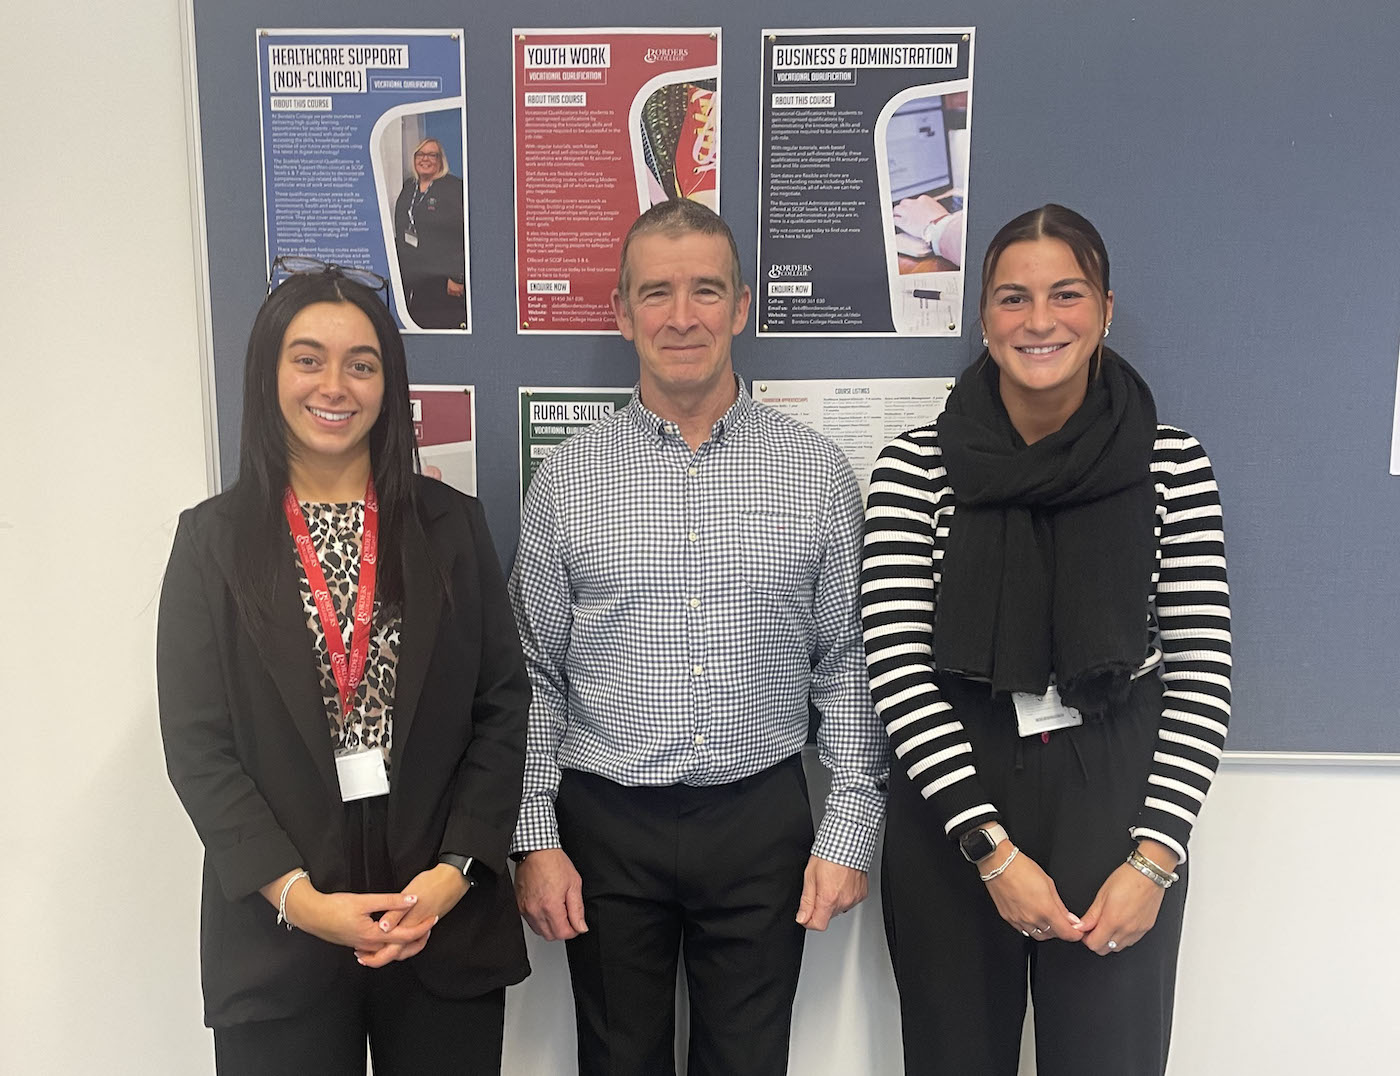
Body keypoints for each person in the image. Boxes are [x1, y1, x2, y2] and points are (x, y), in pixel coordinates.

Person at [509, 199, 888, 1076]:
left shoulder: (818, 475)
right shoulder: (566, 481)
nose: (682, 316)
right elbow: (532, 674)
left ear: (742, 307)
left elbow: (850, 662)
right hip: (604, 820)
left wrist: (850, 823)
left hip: (760, 817)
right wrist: (534, 835)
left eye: (706, 291)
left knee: (749, 1063)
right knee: (617, 1061)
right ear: (621, 312)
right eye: (657, 293)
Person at [861, 204, 1231, 1076]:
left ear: (1105, 308)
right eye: (1013, 298)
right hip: (954, 785)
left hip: (1117, 796)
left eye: (1065, 294)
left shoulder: (1170, 464)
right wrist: (989, 849)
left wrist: (1154, 859)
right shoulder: (914, 468)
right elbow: (898, 668)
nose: (1039, 321)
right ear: (983, 317)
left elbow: (1204, 669)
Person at [157, 262, 529, 1073]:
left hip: (436, 915)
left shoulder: (451, 529)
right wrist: (300, 900)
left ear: (388, 385)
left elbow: (503, 707)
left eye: (361, 363)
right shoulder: (212, 544)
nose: (336, 384)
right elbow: (198, 745)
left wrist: (454, 874)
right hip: (280, 927)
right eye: (308, 358)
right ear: (269, 374)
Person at [393, 137, 466, 329]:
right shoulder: (410, 187)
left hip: (443, 279)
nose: (425, 159)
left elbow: (462, 236)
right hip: (414, 276)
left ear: (441, 160)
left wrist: (457, 276)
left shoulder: (453, 187)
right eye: (420, 154)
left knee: (440, 327)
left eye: (432, 155)